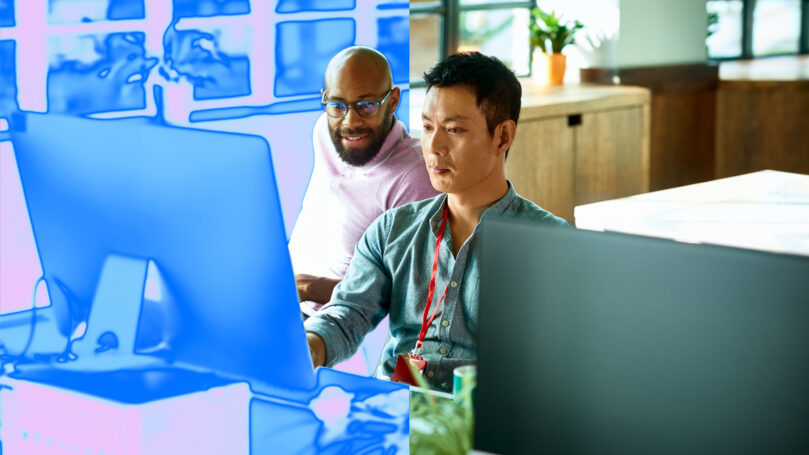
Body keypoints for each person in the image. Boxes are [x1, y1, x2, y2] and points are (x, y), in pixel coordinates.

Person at [304, 52, 568, 392]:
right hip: (395, 409)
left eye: (454, 129)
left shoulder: (549, 242)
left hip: (480, 422)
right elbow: (348, 314)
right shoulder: (391, 230)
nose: (434, 147)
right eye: (428, 127)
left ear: (502, 137)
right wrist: (312, 343)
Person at [289, 46, 438, 316]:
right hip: (284, 302)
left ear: (393, 101)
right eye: (337, 105)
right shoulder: (324, 130)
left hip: (334, 326)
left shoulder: (415, 175)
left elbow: (411, 296)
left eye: (366, 105)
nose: (350, 122)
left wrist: (309, 287)